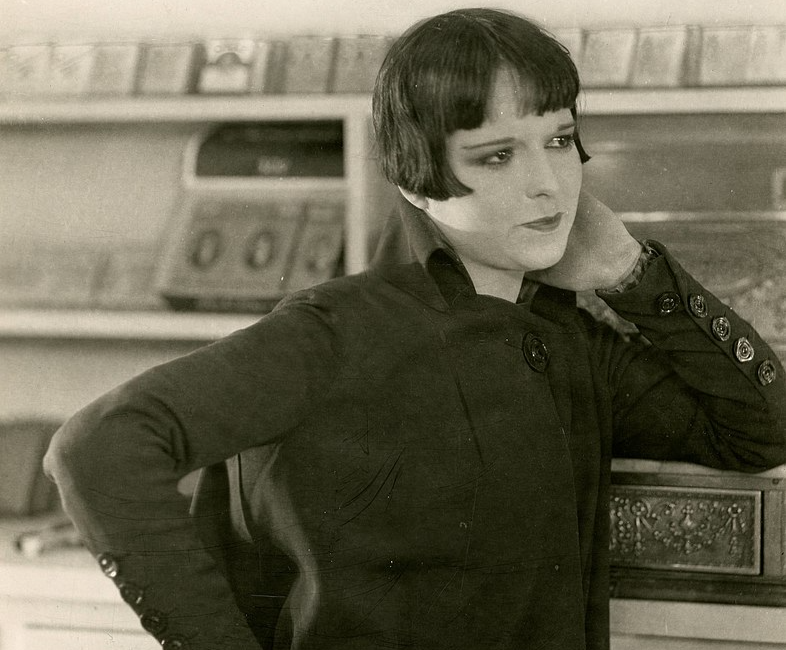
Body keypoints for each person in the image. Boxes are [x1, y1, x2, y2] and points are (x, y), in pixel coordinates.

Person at [44, 8, 786, 650]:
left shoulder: (570, 343)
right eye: (497, 154)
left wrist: (632, 272)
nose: (548, 183)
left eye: (559, 140)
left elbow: (759, 431)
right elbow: (98, 447)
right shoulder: (336, 329)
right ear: (413, 176)